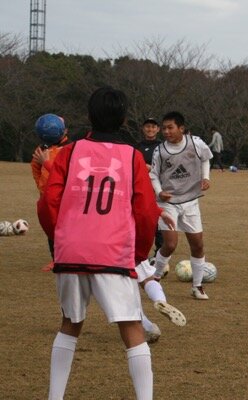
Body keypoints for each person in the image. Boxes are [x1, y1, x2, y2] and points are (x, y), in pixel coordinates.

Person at [37, 86, 173, 399]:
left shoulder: (69, 152)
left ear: (89, 116)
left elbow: (48, 202)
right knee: (131, 327)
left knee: (70, 323)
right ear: (125, 118)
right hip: (112, 253)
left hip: (71, 250)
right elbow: (144, 209)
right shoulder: (133, 157)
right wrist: (137, 254)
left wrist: (62, 238)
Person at [150, 111, 213, 300]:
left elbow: (205, 159)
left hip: (191, 201)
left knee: (198, 244)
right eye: (164, 128)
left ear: (181, 128)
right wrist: (159, 191)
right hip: (168, 203)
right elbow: (153, 174)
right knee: (170, 244)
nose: (166, 131)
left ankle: (197, 286)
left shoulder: (196, 143)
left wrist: (206, 177)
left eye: (170, 127)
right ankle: (155, 279)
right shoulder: (160, 150)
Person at [31, 113, 69, 270]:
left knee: (65, 227)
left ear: (65, 131)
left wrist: (45, 163)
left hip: (64, 195)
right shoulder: (42, 149)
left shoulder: (69, 149)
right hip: (47, 195)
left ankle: (66, 257)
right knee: (50, 227)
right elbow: (35, 168)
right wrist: (41, 186)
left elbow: (64, 174)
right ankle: (55, 258)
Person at [135, 118, 164, 256]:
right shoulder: (137, 147)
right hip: (141, 187)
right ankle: (139, 253)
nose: (150, 129)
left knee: (159, 219)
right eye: (147, 127)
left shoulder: (163, 146)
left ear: (158, 129)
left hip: (158, 188)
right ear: (143, 128)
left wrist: (151, 168)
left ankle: (159, 253)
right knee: (142, 219)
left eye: (153, 127)